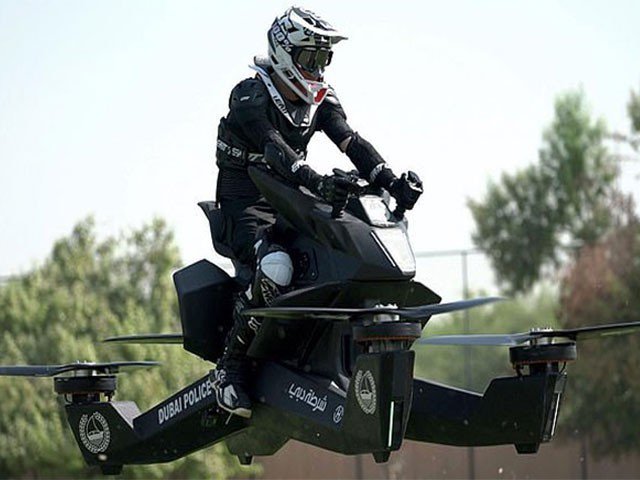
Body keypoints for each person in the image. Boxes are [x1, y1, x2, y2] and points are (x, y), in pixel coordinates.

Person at [212, 6, 423, 418]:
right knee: (276, 266)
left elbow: (351, 142)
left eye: (323, 60)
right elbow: (275, 149)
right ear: (285, 53)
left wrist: (391, 181)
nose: (318, 70)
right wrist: (318, 181)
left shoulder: (322, 100)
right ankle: (230, 369)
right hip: (247, 207)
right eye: (311, 59)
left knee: (341, 253)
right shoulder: (249, 95)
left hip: (292, 198)